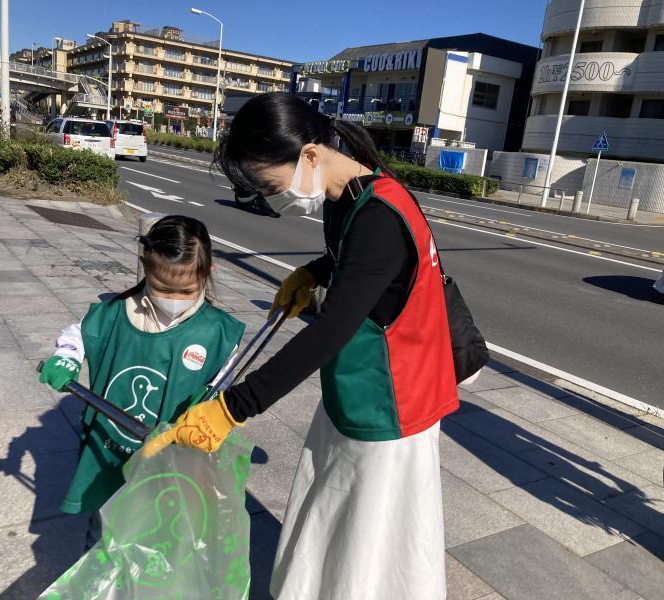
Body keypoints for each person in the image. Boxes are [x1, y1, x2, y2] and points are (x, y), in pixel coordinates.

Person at [145, 93, 458, 599]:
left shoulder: (378, 212)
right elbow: (355, 263)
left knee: (372, 536)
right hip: (362, 383)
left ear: (309, 154)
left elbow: (330, 329)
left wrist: (232, 408)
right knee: (332, 503)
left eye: (271, 184)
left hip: (394, 402)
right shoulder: (352, 196)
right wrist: (315, 270)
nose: (273, 200)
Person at [38, 215, 245, 549]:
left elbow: (225, 381)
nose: (174, 299)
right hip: (111, 447)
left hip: (173, 455)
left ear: (209, 274)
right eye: (162, 287)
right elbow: (81, 332)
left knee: (162, 530)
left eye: (187, 290)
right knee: (104, 531)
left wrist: (211, 403)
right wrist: (67, 356)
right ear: (144, 268)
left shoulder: (219, 332)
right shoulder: (116, 313)